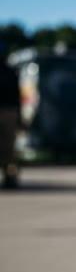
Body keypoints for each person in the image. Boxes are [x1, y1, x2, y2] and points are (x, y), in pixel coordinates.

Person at [0, 44, 20, 189]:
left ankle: (10, 176)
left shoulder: (11, 72)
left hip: (9, 111)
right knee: (9, 149)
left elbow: (17, 96)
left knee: (9, 149)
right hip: (10, 112)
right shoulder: (11, 71)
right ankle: (10, 176)